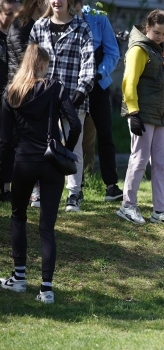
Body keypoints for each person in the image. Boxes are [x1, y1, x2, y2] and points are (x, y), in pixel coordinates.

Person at [0, 44, 81, 303]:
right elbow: (75, 123)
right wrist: (65, 149)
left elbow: (3, 140)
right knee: (47, 227)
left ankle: (19, 279)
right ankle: (46, 289)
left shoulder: (11, 92)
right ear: (44, 64)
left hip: (23, 161)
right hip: (51, 162)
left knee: (18, 217)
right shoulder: (55, 87)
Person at [116, 9, 164, 229]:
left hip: (161, 115)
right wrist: (133, 112)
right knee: (139, 159)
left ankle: (161, 210)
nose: (161, 37)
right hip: (143, 114)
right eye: (157, 33)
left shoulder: (161, 50)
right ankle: (127, 205)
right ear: (147, 28)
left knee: (162, 162)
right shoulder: (139, 50)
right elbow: (129, 82)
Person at [30, 0, 95, 212]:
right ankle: (38, 188)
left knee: (73, 145)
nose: (57, 1)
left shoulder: (82, 27)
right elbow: (30, 61)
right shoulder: (39, 26)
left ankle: (74, 194)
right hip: (43, 96)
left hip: (73, 96)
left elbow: (88, 63)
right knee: (41, 142)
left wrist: (81, 90)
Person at [73, 0, 123, 202]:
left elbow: (112, 51)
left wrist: (99, 74)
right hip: (73, 86)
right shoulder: (60, 17)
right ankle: (75, 187)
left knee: (105, 135)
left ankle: (111, 186)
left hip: (98, 84)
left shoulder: (98, 17)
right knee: (72, 135)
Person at [6, 0, 46, 207]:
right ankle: (27, 191)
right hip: (20, 91)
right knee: (22, 143)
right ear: (39, 3)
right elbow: (26, 62)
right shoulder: (21, 25)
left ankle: (32, 191)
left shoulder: (33, 24)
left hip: (31, 90)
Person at [0, 0, 21, 201]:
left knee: (9, 142)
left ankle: (6, 187)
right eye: (8, 14)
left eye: (15, 15)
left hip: (11, 96)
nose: (11, 19)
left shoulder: (18, 35)